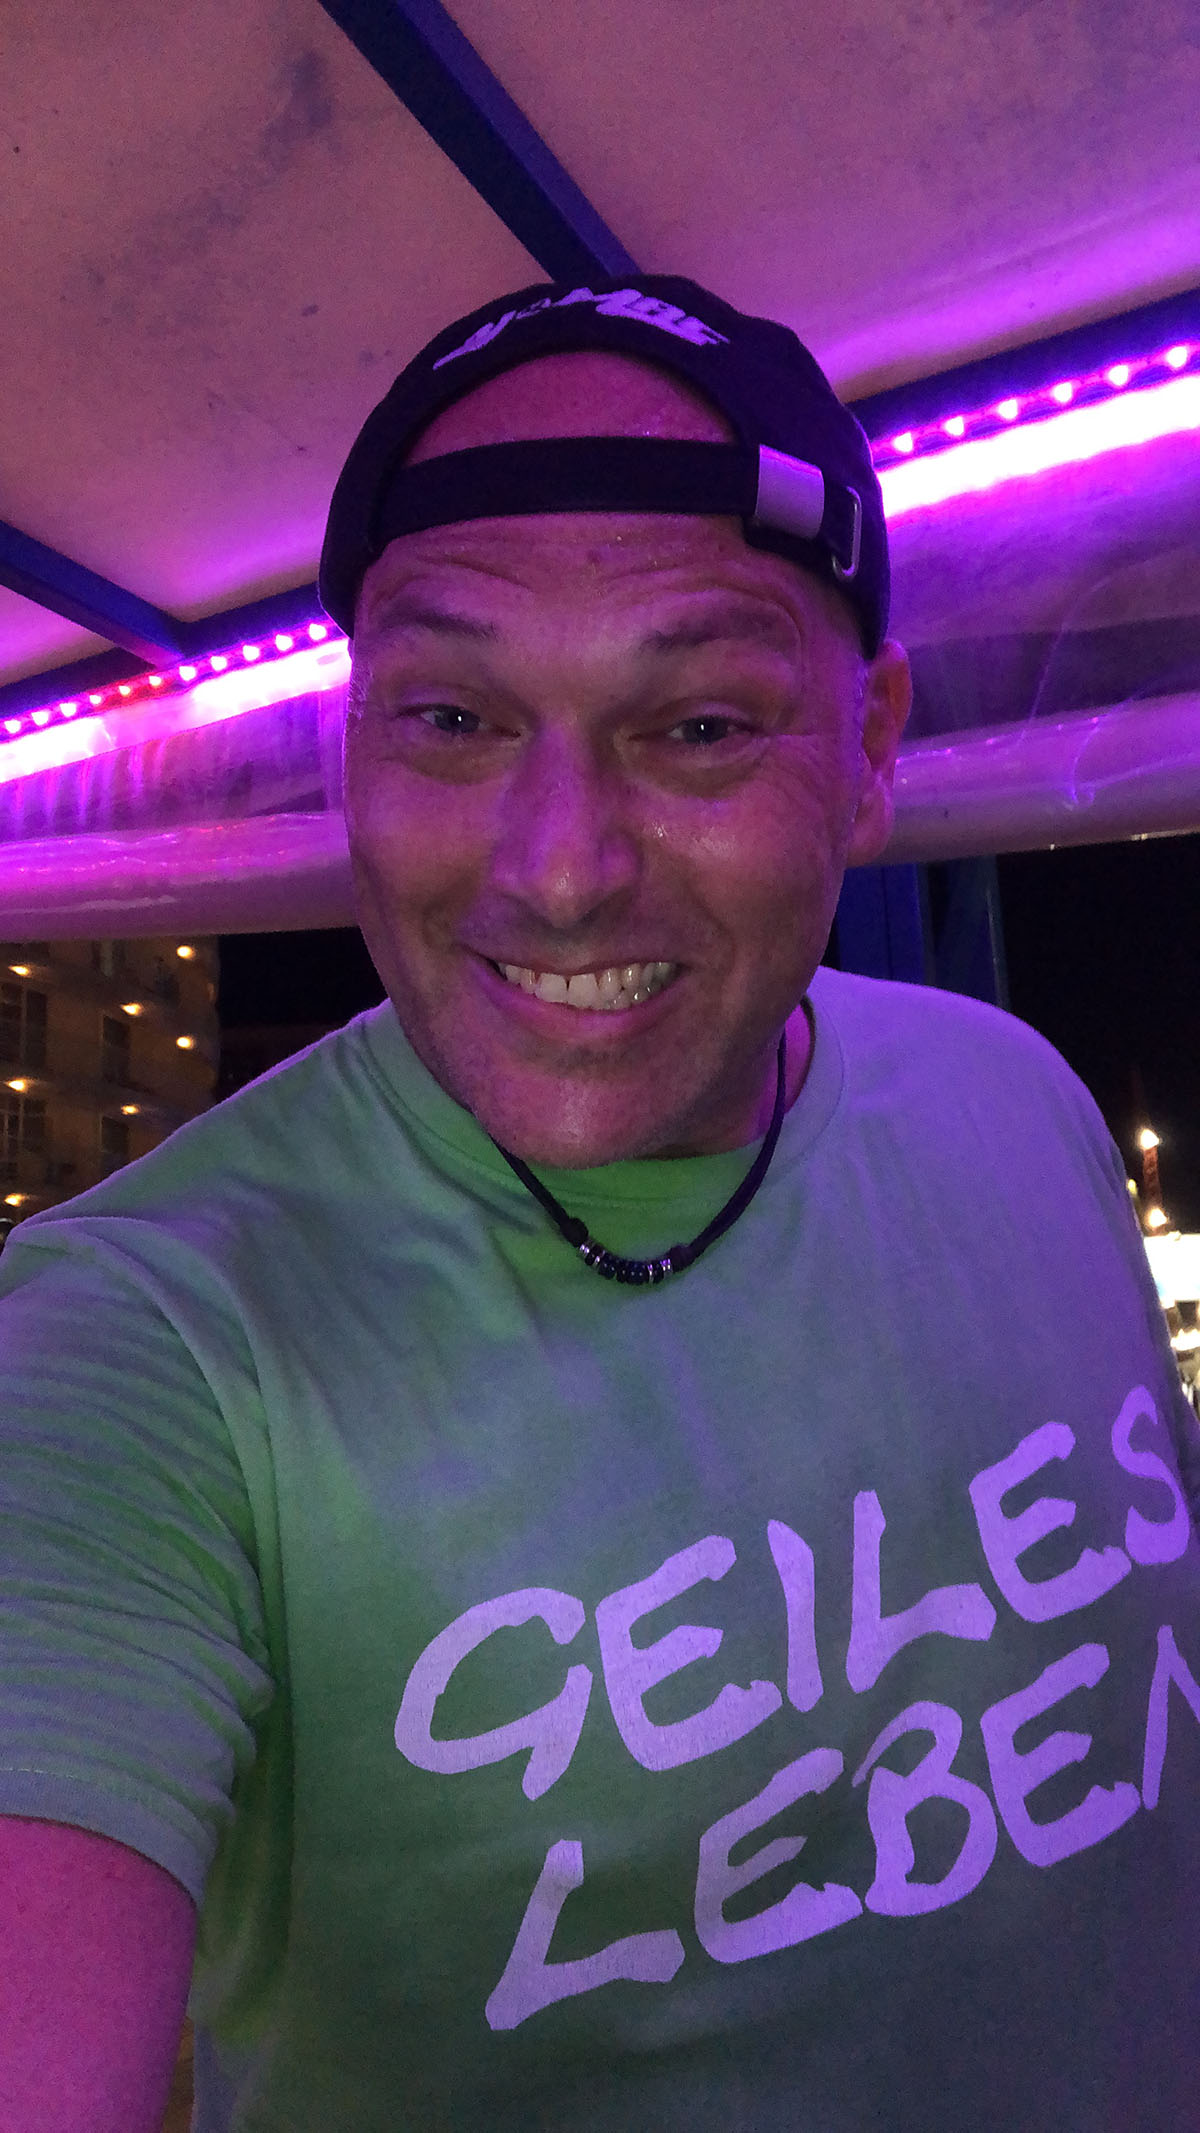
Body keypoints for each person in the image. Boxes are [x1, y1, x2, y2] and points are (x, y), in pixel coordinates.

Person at [0, 275, 1196, 2133]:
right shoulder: (142, 1341)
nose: (560, 868)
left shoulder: (1016, 1095)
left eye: (700, 725)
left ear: (873, 747)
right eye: (453, 716)